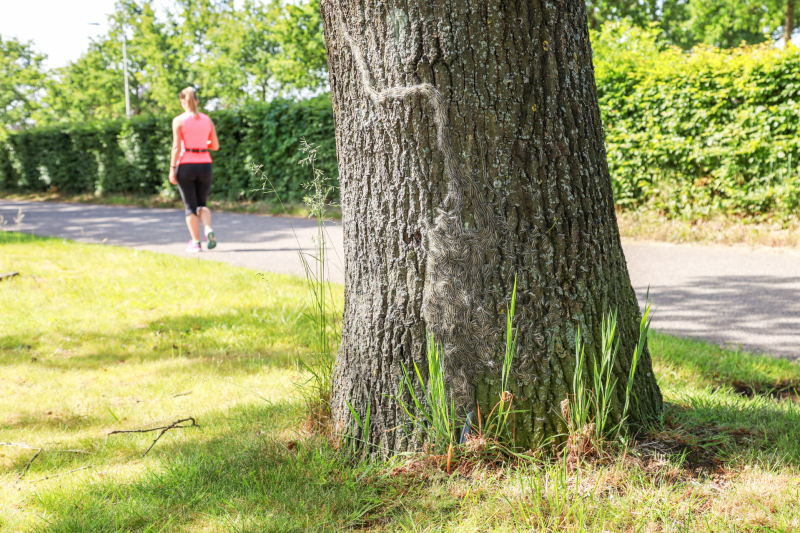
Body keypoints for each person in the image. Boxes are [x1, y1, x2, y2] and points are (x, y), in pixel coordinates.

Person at [169, 87, 220, 253]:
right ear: (197, 101)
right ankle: (207, 228)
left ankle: (196, 243)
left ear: (182, 102)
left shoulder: (179, 120)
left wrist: (172, 168)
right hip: (205, 164)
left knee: (190, 207)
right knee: (202, 204)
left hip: (186, 165)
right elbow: (215, 146)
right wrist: (201, 144)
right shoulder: (207, 120)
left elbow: (176, 147)